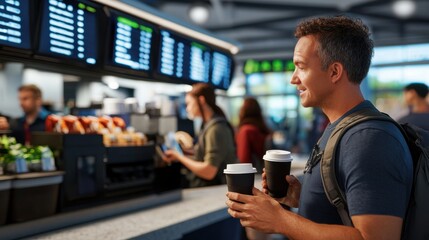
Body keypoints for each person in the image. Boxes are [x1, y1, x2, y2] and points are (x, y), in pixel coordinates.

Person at [226, 16, 413, 240]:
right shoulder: (340, 130)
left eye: (301, 67)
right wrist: (302, 197)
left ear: (334, 72)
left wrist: (281, 221)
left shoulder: (369, 139)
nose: (293, 79)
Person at [162, 83, 237, 188]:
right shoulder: (208, 125)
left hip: (214, 191)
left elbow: (209, 171)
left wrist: (179, 157)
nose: (188, 108)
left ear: (201, 100)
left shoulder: (216, 128)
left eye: (189, 103)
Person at [236, 97, 271, 173]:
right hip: (264, 173)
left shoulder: (245, 131)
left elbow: (243, 160)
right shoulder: (262, 130)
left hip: (251, 176)